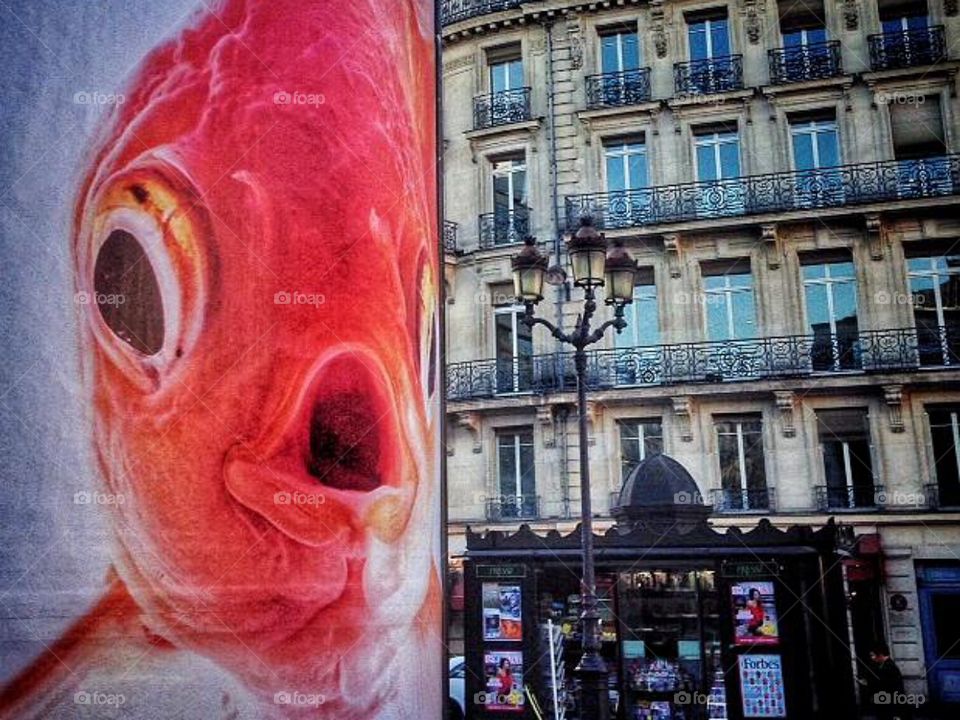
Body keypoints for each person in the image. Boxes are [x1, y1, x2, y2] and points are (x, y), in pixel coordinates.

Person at [860, 642, 907, 720]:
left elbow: (886, 686)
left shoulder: (889, 667)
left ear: (880, 654)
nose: (872, 658)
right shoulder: (884, 665)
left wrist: (868, 683)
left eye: (873, 655)